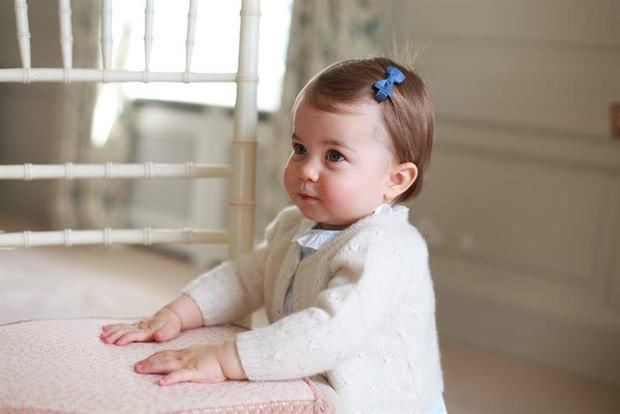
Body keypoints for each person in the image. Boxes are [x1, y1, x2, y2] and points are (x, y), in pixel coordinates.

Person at [100, 57, 446, 414]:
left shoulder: (389, 249)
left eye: (334, 156)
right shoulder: (292, 225)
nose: (307, 170)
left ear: (396, 180)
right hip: (316, 389)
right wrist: (178, 313)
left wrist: (225, 359)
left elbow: (329, 332)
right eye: (300, 149)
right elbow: (243, 279)